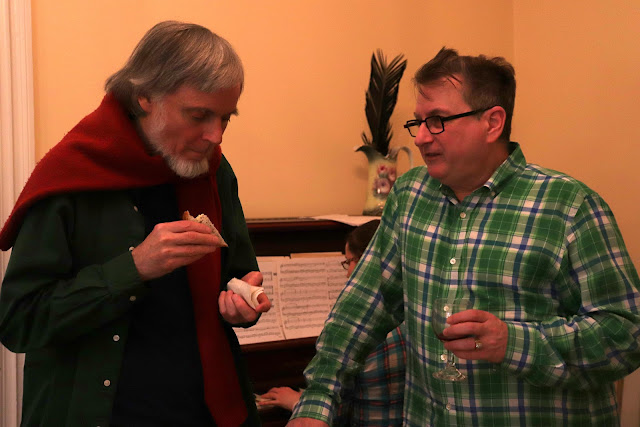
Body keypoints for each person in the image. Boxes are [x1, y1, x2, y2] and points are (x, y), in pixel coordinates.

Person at [287, 47, 640, 426]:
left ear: (492, 122)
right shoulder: (408, 195)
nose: (421, 138)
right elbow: (363, 305)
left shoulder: (569, 206)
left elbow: (627, 333)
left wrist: (514, 343)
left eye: (437, 120)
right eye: (418, 122)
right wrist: (318, 398)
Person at [0, 21, 271, 427]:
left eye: (225, 118)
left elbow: (236, 274)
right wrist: (135, 267)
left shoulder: (215, 172)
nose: (215, 136)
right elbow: (20, 322)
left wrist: (241, 303)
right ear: (145, 95)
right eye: (199, 115)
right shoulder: (72, 174)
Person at [258, 220, 406, 426]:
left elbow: (344, 407)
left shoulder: (371, 329)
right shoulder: (406, 312)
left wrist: (297, 401)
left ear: (370, 261)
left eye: (351, 261)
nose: (347, 273)